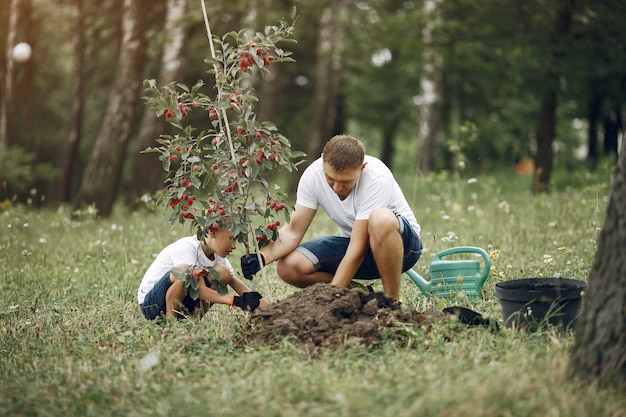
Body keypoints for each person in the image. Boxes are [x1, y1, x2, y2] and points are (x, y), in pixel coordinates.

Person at [241, 134, 422, 300]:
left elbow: (357, 248)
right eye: (331, 179)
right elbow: (293, 231)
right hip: (355, 247)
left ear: (362, 168)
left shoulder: (377, 178)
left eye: (345, 182)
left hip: (404, 249)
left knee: (381, 219)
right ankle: (361, 295)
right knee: (289, 267)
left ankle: (391, 302)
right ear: (322, 162)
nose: (336, 188)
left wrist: (331, 297)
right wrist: (261, 256)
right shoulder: (313, 175)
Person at [138, 225, 266, 320]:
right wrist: (236, 301)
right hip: (152, 305)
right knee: (185, 272)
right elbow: (201, 291)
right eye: (231, 239)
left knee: (223, 273)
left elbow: (243, 290)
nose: (234, 246)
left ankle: (192, 321)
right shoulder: (187, 247)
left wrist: (273, 310)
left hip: (181, 304)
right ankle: (171, 325)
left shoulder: (219, 258)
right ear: (213, 232)